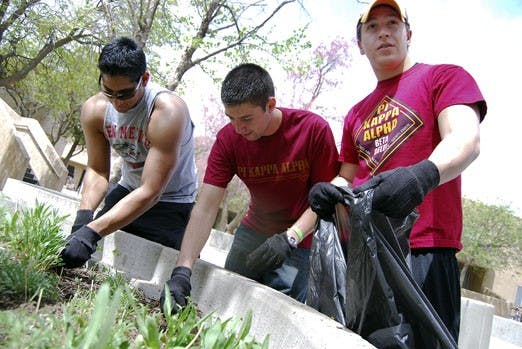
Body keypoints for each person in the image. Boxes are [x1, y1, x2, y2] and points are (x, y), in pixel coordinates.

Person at [308, 0, 487, 343]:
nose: (384, 32)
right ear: (360, 44)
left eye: (392, 22)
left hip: (424, 252)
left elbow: (466, 138)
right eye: (372, 27)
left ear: (409, 33)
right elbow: (347, 175)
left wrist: (421, 177)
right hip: (366, 256)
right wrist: (327, 190)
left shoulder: (443, 77)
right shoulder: (356, 114)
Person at [161, 63, 339, 310]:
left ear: (270, 105)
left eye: (246, 118)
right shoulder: (228, 139)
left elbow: (326, 200)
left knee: (277, 312)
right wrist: (182, 270)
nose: (238, 128)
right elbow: (205, 208)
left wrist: (291, 237)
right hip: (252, 231)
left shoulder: (313, 130)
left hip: (298, 239)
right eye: (231, 118)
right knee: (226, 302)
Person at [61, 36, 197, 268]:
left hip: (170, 201)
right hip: (129, 189)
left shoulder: (166, 112)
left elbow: (152, 191)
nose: (117, 103)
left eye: (124, 94)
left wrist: (92, 232)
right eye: (108, 91)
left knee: (151, 274)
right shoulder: (95, 110)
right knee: (87, 257)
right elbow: (97, 169)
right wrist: (84, 219)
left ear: (144, 79)